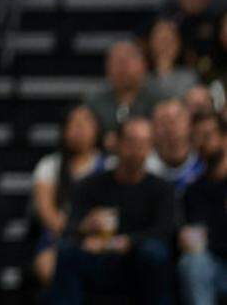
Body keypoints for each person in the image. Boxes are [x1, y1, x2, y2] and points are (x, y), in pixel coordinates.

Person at [49, 117, 175, 304]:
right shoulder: (90, 185)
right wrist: (85, 226)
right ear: (117, 143)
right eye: (131, 142)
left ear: (151, 147)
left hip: (138, 259)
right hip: (99, 260)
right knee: (67, 252)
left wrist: (128, 241)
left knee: (154, 253)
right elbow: (69, 228)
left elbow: (166, 229)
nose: (137, 150)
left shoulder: (162, 188)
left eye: (144, 143)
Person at [31, 105, 106, 287]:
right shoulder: (50, 165)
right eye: (73, 124)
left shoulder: (110, 164)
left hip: (102, 237)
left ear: (97, 129)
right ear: (63, 130)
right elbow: (46, 212)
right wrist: (77, 229)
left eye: (85, 123)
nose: (78, 130)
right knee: (48, 266)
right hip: (59, 237)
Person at [180, 117, 227, 305]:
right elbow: (198, 240)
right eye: (196, 137)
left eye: (207, 136)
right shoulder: (193, 190)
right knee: (193, 262)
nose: (202, 143)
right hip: (213, 267)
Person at [85, 39, 162, 145]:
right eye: (116, 61)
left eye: (127, 61)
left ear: (143, 65)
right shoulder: (94, 103)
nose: (122, 68)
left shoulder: (160, 101)